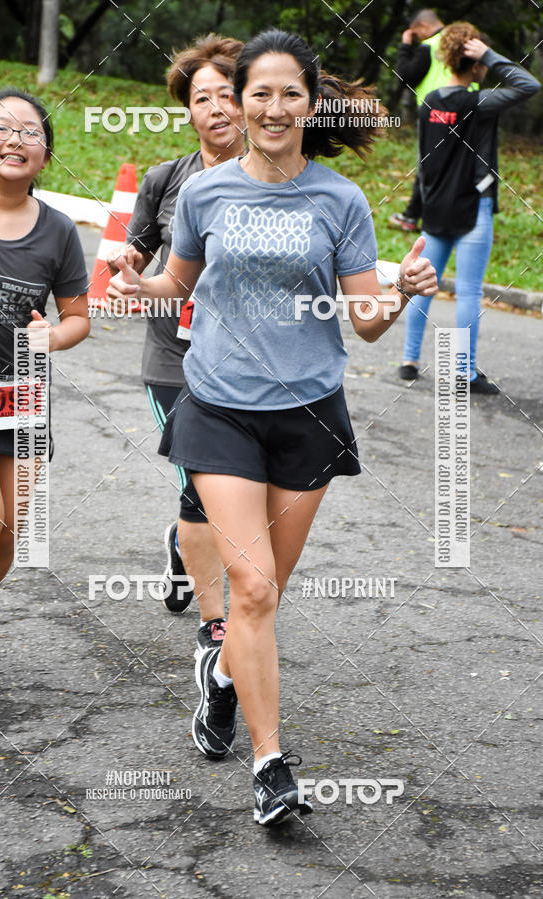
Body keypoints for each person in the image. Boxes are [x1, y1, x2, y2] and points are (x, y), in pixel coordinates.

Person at [109, 28, 437, 825]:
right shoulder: (204, 193)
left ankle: (223, 675)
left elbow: (361, 322)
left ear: (311, 102)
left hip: (308, 416)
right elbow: (174, 285)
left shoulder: (339, 199)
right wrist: (138, 281)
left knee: (267, 596)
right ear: (241, 98)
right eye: (261, 91)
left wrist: (402, 292)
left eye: (292, 91)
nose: (275, 105)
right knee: (248, 585)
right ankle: (271, 764)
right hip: (219, 405)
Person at [0, 87, 90, 687]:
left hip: (20, 391)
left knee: (7, 535)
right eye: (2, 129)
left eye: (31, 132)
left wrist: (52, 339)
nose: (16, 139)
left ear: (46, 157)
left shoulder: (58, 232)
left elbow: (78, 317)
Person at [107, 35, 246, 660]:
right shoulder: (166, 180)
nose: (216, 107)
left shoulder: (275, 175)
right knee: (201, 482)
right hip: (174, 358)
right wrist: (130, 264)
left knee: (231, 486)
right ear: (187, 112)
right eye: (202, 98)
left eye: (226, 93)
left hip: (246, 361)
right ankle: (216, 628)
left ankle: (182, 544)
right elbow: (135, 246)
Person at [399, 23, 540, 392]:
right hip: (473, 207)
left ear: (446, 57)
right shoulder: (479, 103)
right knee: (469, 291)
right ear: (475, 62)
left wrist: (415, 209)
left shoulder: (428, 103)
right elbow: (529, 85)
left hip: (435, 208)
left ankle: (409, 361)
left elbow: (422, 161)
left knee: (421, 286)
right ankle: (464, 373)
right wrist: (490, 57)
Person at [389, 8, 476, 233]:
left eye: (417, 34)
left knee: (428, 165)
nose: (419, 38)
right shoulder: (464, 39)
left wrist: (406, 46)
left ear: (423, 27)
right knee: (463, 164)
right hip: (469, 109)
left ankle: (413, 216)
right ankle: (463, 216)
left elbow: (404, 76)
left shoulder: (430, 45)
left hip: (437, 113)